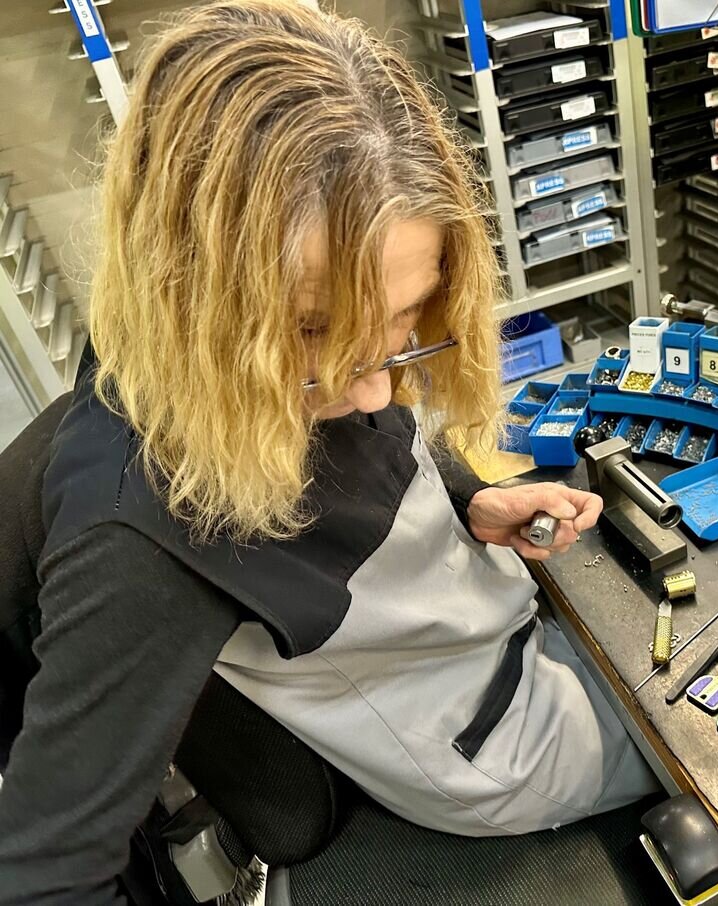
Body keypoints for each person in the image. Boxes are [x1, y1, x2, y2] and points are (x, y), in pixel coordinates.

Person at [0, 2, 659, 901]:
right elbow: (44, 876)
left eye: (399, 324)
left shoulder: (245, 353)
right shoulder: (138, 534)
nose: (378, 391)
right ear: (189, 280)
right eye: (317, 330)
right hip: (494, 743)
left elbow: (381, 441)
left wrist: (466, 496)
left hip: (508, 626)